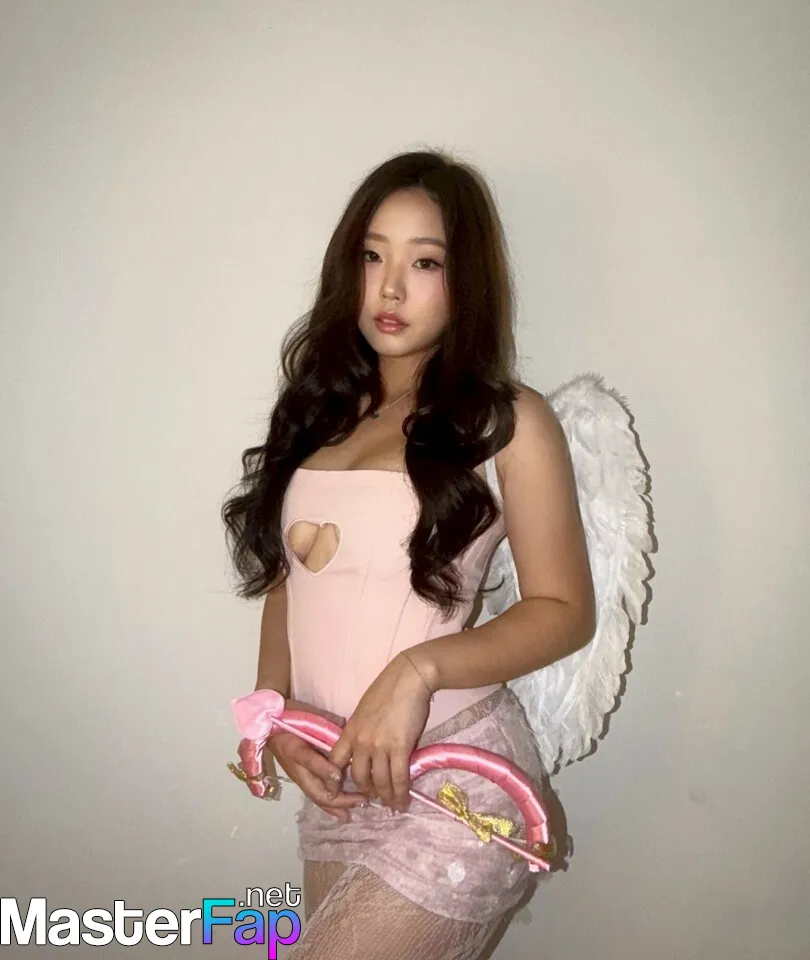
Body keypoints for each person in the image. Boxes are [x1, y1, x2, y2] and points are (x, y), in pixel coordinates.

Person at [221, 149, 596, 959]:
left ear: (467, 281)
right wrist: (275, 714)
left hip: (461, 782)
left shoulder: (508, 421)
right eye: (372, 256)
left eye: (424, 262)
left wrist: (416, 671)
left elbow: (565, 611)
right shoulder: (319, 412)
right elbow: (290, 580)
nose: (389, 288)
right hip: (339, 782)